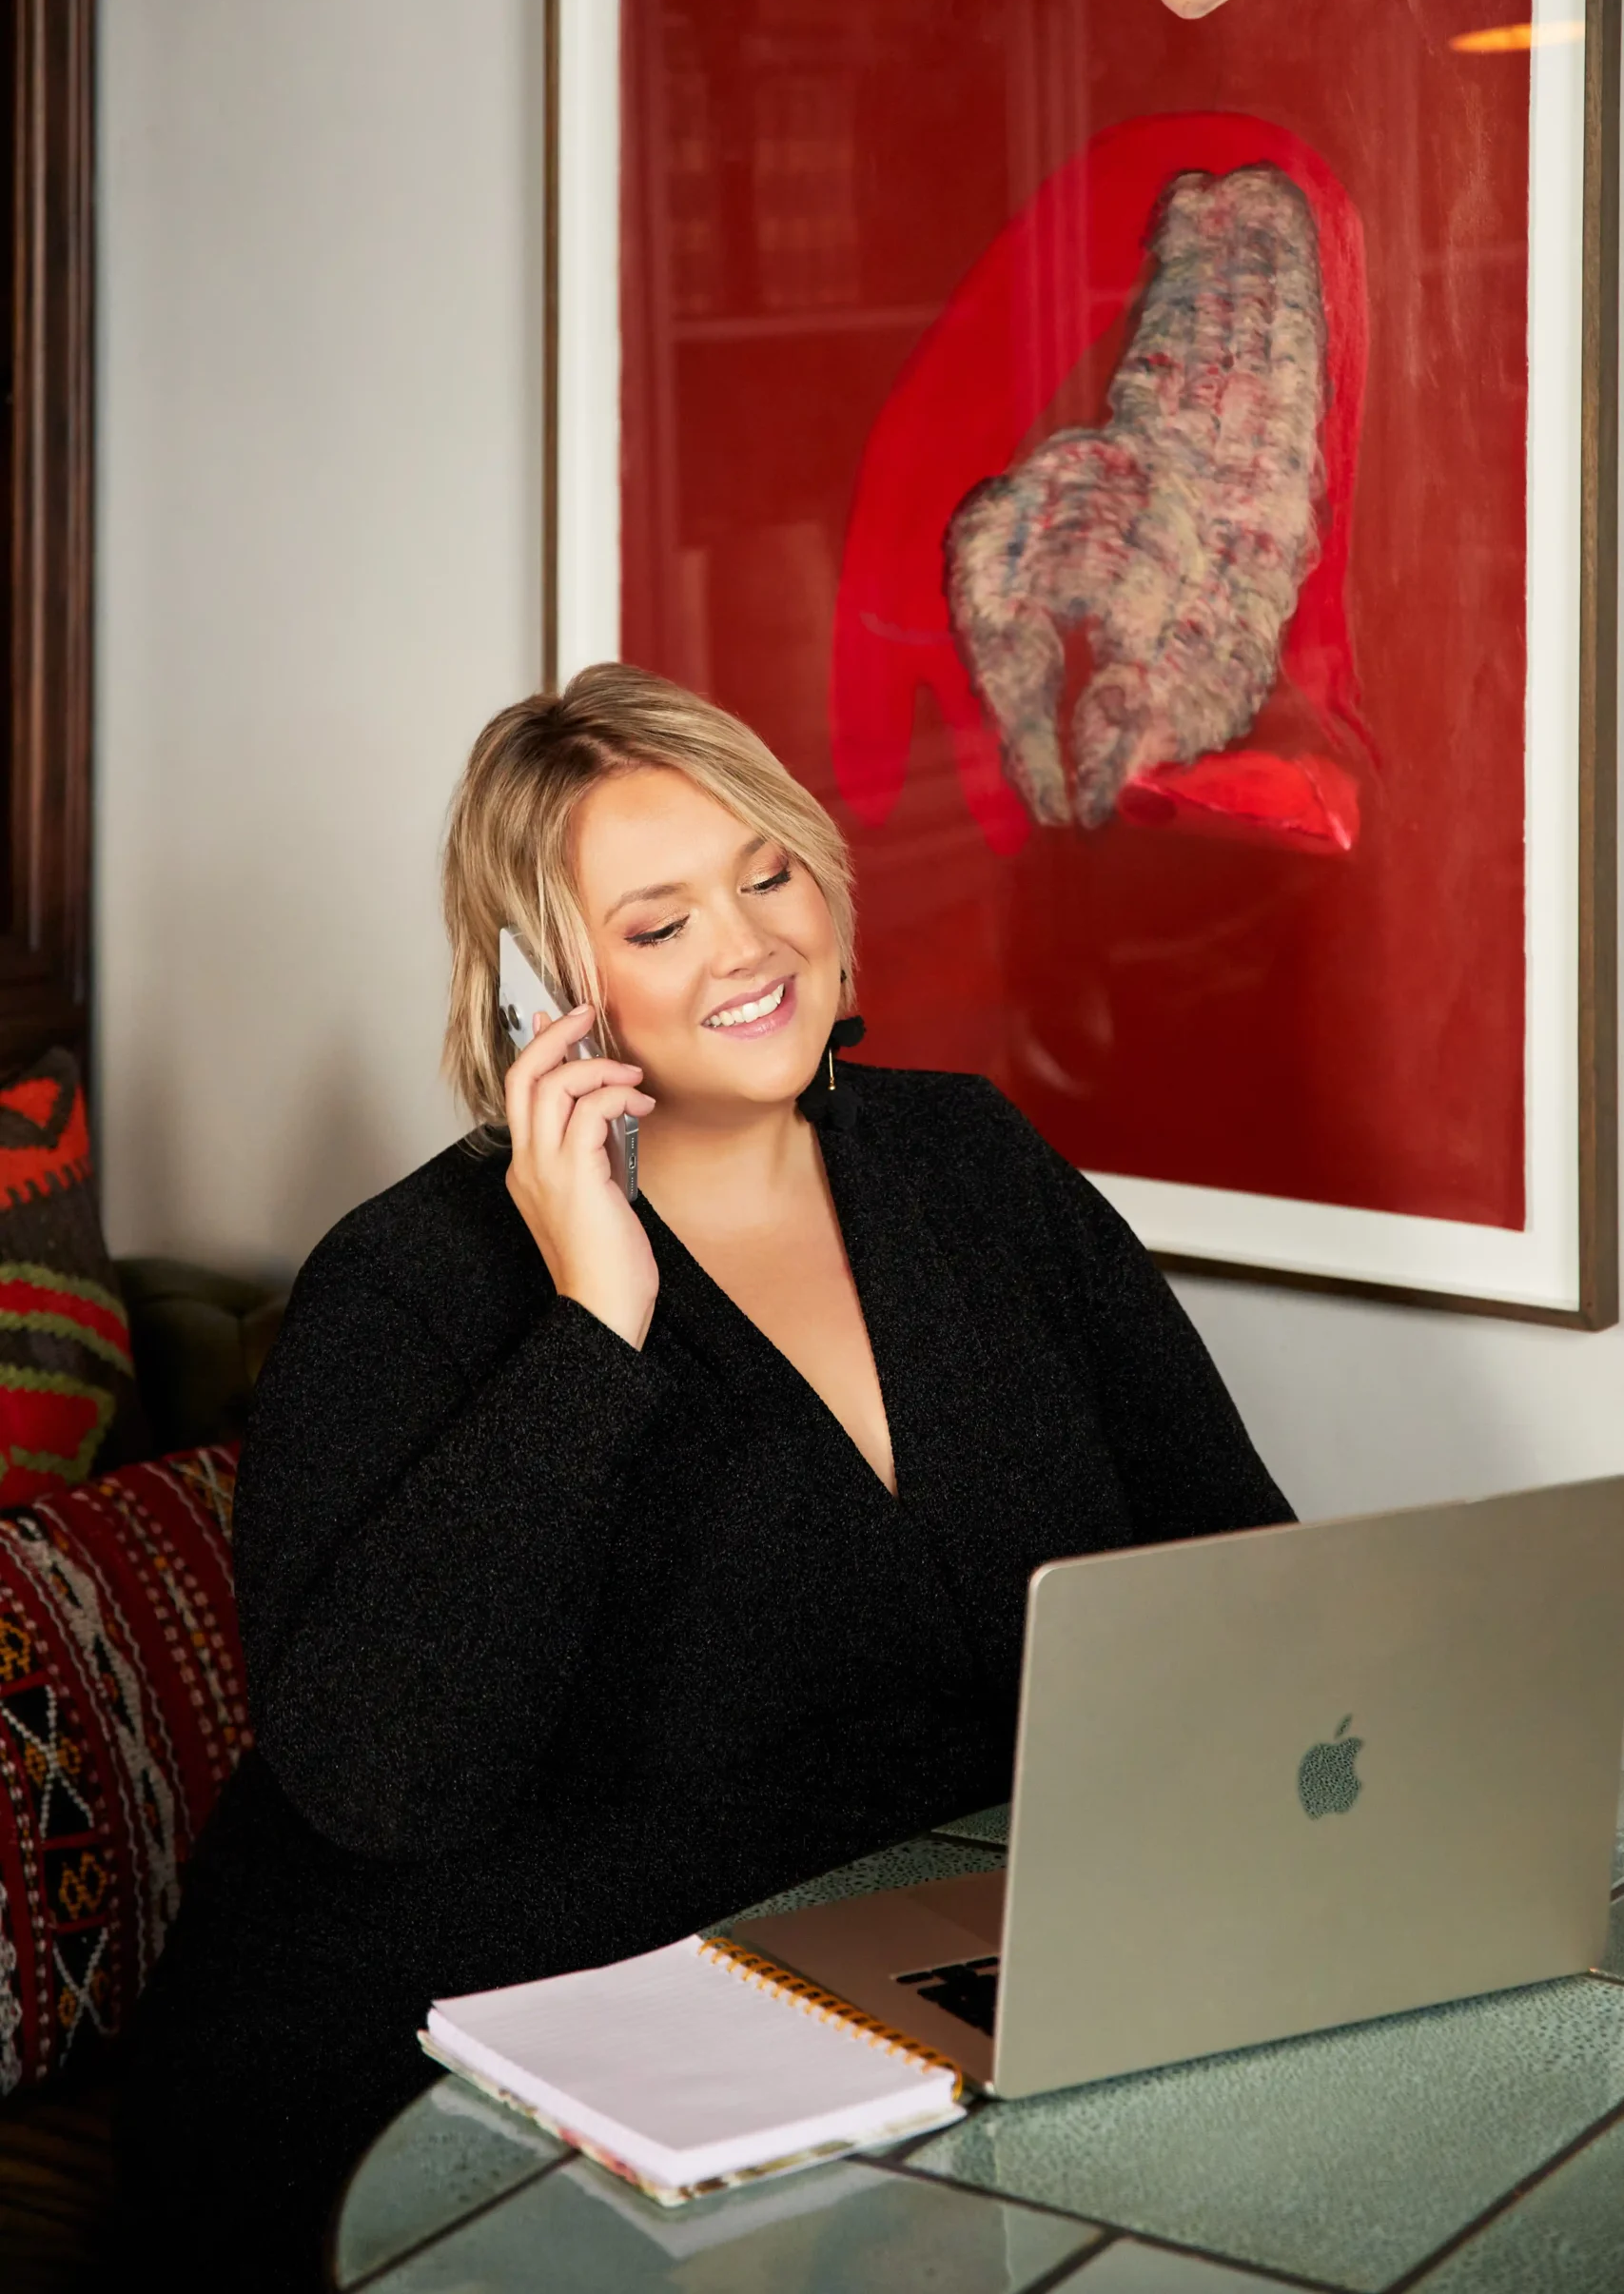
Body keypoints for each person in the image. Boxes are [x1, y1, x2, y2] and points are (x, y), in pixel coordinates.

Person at [117, 663, 1292, 2285]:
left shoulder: (974, 1167)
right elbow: (392, 1787)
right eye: (659, 923)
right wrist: (595, 1325)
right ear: (546, 985)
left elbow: (1234, 1577)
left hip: (878, 1992)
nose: (751, 947)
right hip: (461, 2058)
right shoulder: (408, 1284)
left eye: (769, 872)